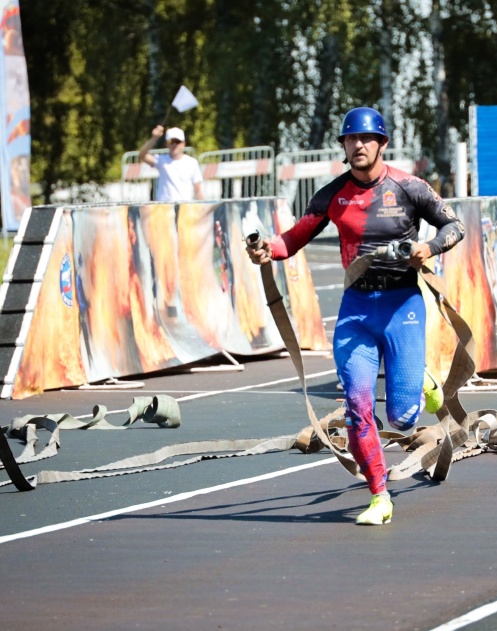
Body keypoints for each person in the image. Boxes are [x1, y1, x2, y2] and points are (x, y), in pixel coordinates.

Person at [246, 107, 464, 526]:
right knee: (358, 406)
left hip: (403, 309)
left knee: (403, 418)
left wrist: (430, 248)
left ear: (382, 143)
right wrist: (264, 250)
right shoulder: (332, 195)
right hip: (355, 313)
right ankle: (379, 497)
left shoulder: (410, 187)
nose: (359, 145)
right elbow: (291, 240)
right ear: (344, 146)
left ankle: (423, 379)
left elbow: (453, 226)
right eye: (351, 139)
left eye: (367, 138)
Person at [138, 125, 204, 202]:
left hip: (184, 208)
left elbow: (198, 190)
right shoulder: (161, 160)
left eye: (177, 141)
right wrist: (154, 138)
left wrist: (203, 209)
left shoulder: (192, 163)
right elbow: (142, 156)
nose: (174, 144)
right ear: (166, 143)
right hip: (164, 208)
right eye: (171, 141)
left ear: (183, 143)